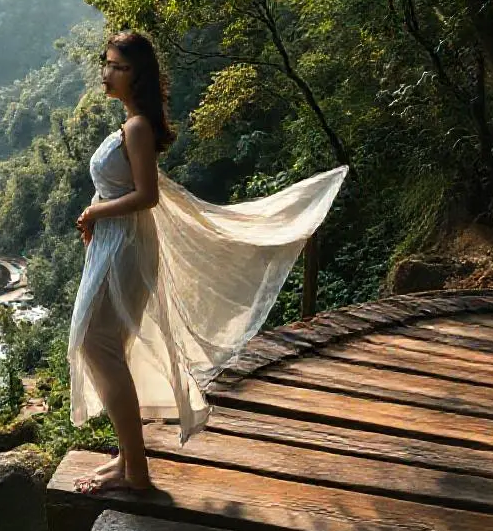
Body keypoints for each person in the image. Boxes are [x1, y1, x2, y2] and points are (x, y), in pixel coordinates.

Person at [70, 30, 348, 493]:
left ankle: (136, 473)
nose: (106, 73)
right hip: (114, 246)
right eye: (107, 63)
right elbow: (124, 189)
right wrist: (97, 215)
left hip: (125, 250)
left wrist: (97, 210)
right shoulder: (130, 125)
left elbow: (147, 195)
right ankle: (126, 460)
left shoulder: (136, 127)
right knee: (107, 349)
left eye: (117, 66)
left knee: (98, 347)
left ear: (136, 75)